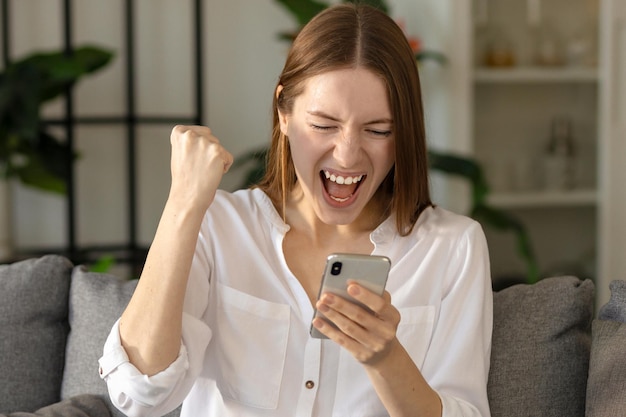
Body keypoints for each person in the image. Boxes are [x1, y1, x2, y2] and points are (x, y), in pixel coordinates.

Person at [99, 4, 493, 417]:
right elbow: (140, 394)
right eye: (324, 125)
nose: (347, 155)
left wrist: (386, 360)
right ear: (284, 113)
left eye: (378, 130)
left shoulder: (453, 247)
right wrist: (182, 205)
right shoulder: (219, 226)